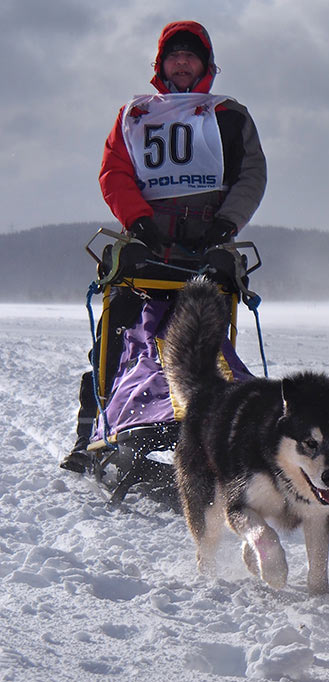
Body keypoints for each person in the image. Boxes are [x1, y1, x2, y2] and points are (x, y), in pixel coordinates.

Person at [61, 20, 267, 472]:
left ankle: (213, 431)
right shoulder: (135, 114)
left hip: (206, 248)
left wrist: (225, 225)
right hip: (147, 247)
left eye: (191, 55)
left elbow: (251, 174)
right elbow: (114, 172)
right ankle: (91, 432)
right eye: (174, 55)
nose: (182, 62)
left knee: (207, 348)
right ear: (161, 64)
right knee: (116, 339)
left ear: (206, 64)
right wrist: (139, 221)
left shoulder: (230, 115)